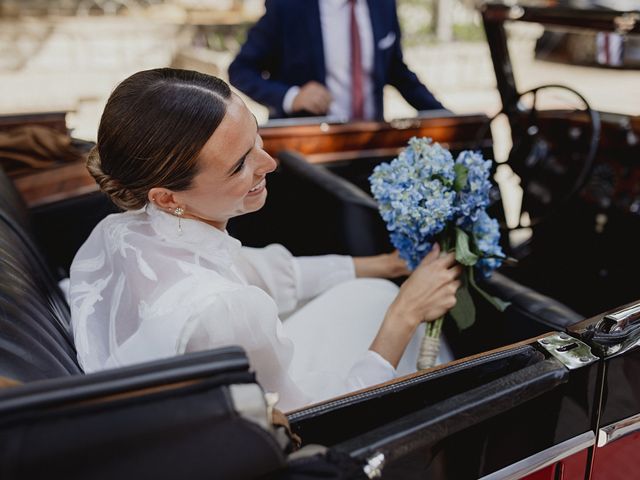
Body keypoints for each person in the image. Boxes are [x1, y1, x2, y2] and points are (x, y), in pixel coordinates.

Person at [69, 68, 461, 411]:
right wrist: (406, 314)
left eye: (255, 138)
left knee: (373, 290)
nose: (269, 163)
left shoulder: (121, 231)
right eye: (240, 164)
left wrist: (386, 264)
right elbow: (315, 422)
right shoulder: (222, 311)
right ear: (167, 196)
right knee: (385, 305)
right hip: (290, 418)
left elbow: (261, 270)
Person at [228, 0, 445, 120]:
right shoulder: (287, 6)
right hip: (310, 153)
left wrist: (447, 118)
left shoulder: (384, 5)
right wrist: (291, 97)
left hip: (369, 145)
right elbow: (241, 70)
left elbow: (396, 71)